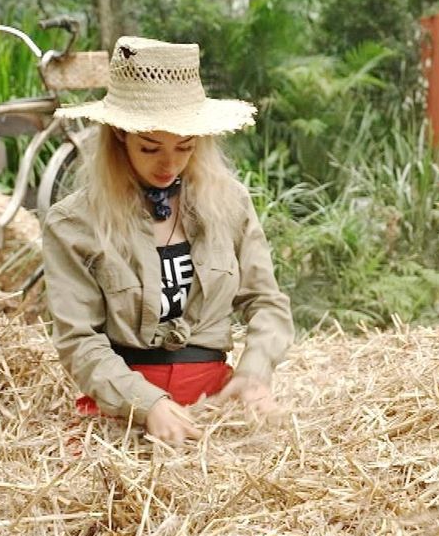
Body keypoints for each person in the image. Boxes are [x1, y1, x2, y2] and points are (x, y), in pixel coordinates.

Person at [42, 36, 293, 445]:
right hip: (121, 410)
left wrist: (253, 374)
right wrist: (147, 404)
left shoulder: (228, 203)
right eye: (151, 146)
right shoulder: (74, 222)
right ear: (120, 135)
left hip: (216, 402)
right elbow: (78, 341)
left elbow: (267, 302)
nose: (169, 164)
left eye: (185, 147)